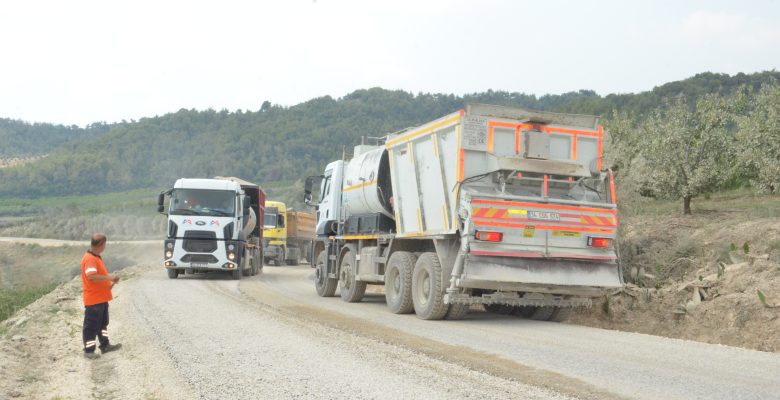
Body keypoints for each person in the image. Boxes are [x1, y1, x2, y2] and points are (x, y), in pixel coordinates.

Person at [81, 233, 122, 359]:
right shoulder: (90, 259)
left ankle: (105, 345)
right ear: (100, 245)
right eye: (104, 244)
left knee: (102, 324)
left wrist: (111, 282)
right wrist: (109, 277)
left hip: (101, 298)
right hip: (94, 300)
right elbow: (91, 276)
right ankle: (89, 351)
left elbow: (98, 278)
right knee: (91, 326)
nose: (105, 247)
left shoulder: (96, 257)